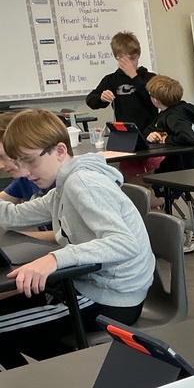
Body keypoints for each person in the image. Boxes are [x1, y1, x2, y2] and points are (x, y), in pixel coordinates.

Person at [0, 110, 154, 369]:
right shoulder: (63, 185)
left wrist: (54, 259)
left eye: (30, 161)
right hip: (85, 285)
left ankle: (72, 375)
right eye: (18, 162)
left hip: (112, 299)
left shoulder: (82, 182)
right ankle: (74, 371)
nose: (24, 172)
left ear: (60, 150)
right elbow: (14, 215)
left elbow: (124, 243)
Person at [85, 31, 159, 182]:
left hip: (150, 134)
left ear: (138, 55)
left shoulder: (149, 78)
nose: (129, 64)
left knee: (153, 176)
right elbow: (91, 100)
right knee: (130, 179)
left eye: (133, 58)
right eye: (124, 60)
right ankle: (144, 202)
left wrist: (134, 77)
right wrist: (101, 97)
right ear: (117, 58)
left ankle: (155, 201)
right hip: (126, 138)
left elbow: (152, 99)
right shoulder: (112, 80)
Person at [143, 75, 194, 174]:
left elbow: (188, 138)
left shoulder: (173, 117)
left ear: (155, 100)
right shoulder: (167, 112)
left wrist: (166, 139)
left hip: (187, 168)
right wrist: (150, 135)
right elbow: (149, 129)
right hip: (182, 164)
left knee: (134, 181)